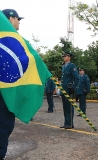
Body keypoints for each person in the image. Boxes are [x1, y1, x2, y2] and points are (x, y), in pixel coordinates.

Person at [0, 9, 24, 160]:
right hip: (4, 93)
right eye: (17, 19)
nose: (19, 22)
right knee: (3, 127)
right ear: (10, 19)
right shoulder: (7, 40)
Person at [60, 51, 79, 129]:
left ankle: (70, 123)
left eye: (65, 56)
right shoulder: (64, 66)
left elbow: (77, 78)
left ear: (69, 57)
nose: (63, 57)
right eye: (63, 56)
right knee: (65, 106)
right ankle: (66, 123)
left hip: (68, 89)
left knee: (69, 106)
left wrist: (73, 87)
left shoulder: (72, 66)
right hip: (64, 89)